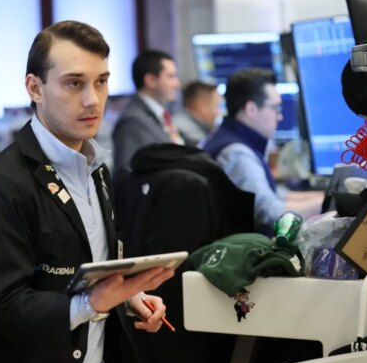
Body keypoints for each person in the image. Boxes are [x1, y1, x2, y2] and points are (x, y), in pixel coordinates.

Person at [0, 20, 175, 363]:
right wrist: (93, 302)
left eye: (101, 82)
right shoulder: (1, 186)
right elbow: (2, 308)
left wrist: (128, 295)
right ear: (34, 88)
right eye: (73, 83)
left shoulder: (94, 167)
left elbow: (88, 267)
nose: (92, 100)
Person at [203, 68, 324, 234]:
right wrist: (327, 205)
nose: (279, 117)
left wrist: (324, 196)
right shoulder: (236, 153)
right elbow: (270, 214)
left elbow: (274, 194)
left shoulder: (229, 137)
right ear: (251, 109)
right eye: (276, 108)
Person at [112, 49, 182, 178]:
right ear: (150, 80)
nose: (177, 84)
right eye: (171, 77)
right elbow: (126, 175)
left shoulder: (160, 115)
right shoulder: (132, 121)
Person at [173, 80, 221, 147]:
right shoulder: (192, 135)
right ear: (202, 107)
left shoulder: (179, 121)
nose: (219, 112)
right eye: (217, 106)